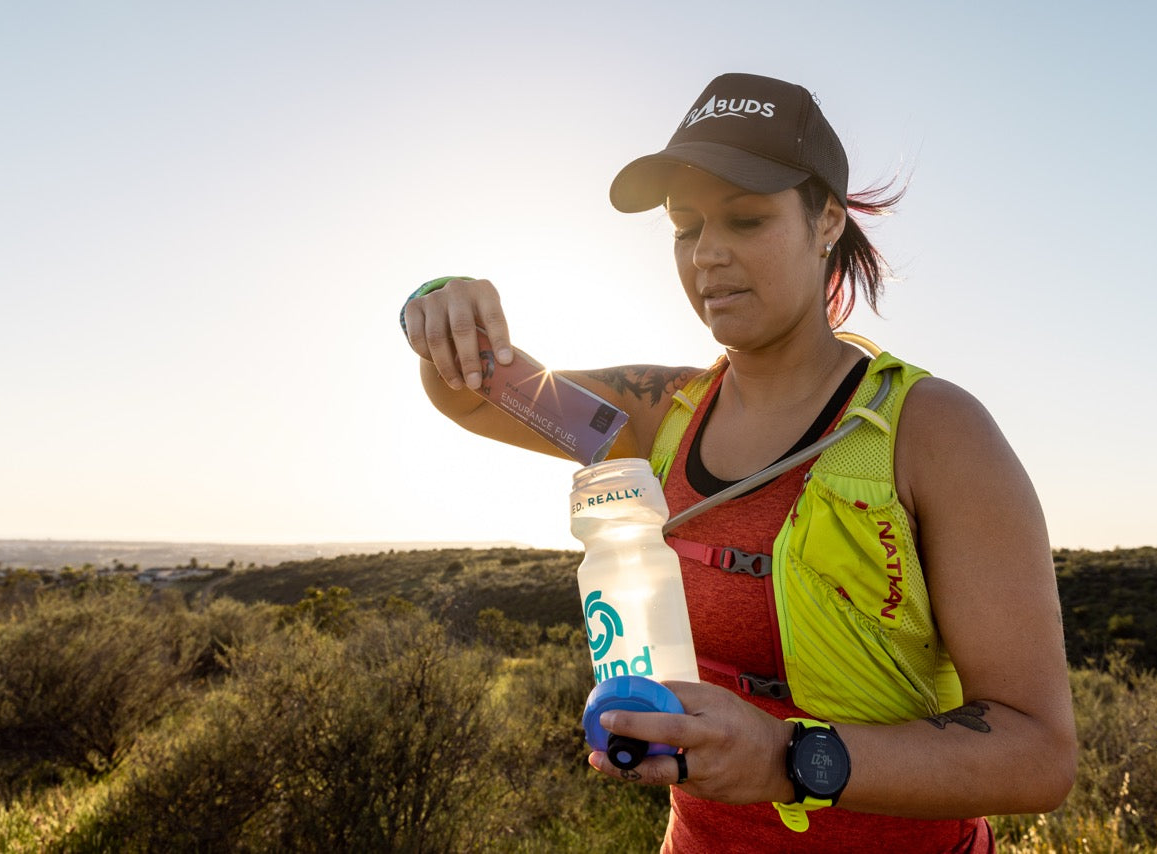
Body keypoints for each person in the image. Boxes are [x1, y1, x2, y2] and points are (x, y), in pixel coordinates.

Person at [402, 72, 1076, 853]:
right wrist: (443, 301)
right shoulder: (665, 414)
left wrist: (786, 757)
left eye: (746, 218)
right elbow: (474, 392)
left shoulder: (932, 432)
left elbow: (1037, 755)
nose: (708, 256)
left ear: (826, 218)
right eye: (685, 228)